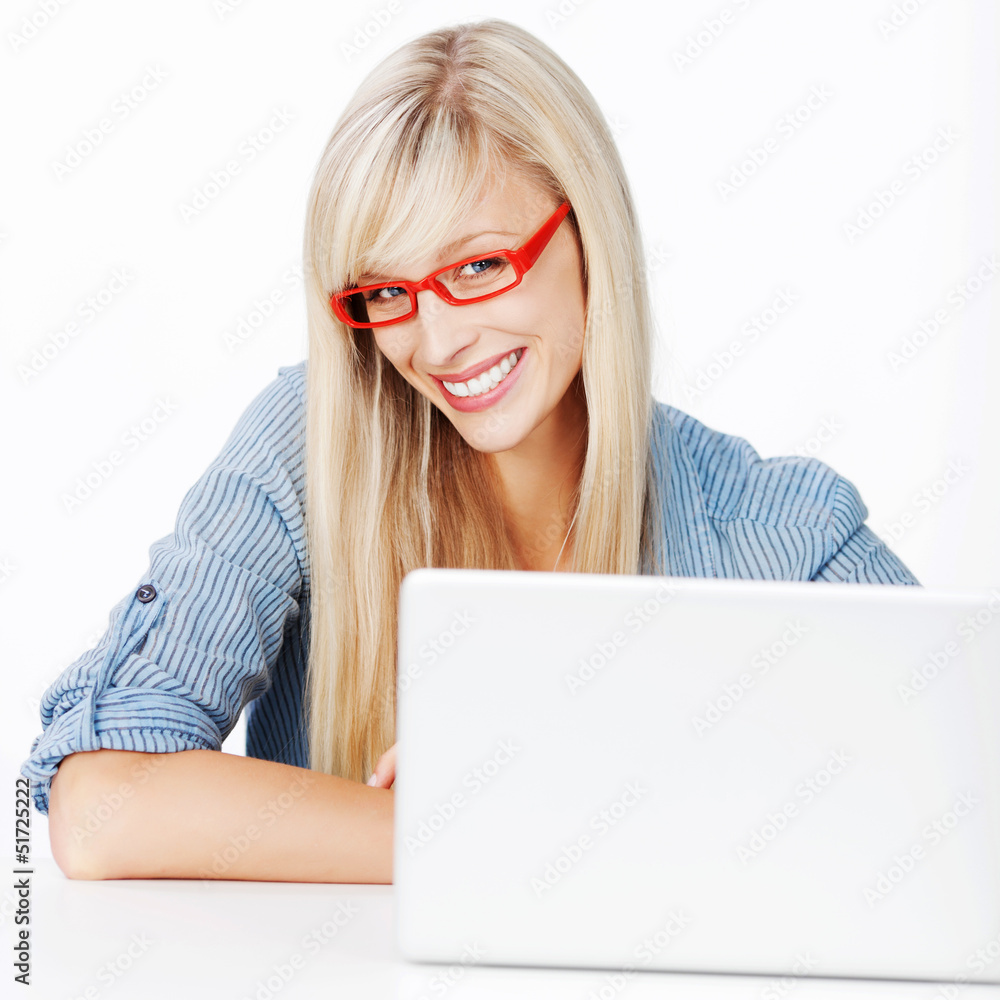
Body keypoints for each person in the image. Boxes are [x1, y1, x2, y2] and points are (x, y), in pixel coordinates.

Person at [21, 18, 918, 886]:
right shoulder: (311, 448)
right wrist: (458, 832)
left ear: (588, 235)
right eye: (387, 291)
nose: (438, 342)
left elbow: (950, 795)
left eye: (479, 266)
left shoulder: (779, 534)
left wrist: (560, 796)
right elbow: (100, 808)